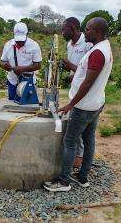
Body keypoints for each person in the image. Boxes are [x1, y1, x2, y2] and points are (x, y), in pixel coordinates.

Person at [43, 17, 113, 192]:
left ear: (97, 32)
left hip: (84, 106)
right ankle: (82, 177)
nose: (85, 31)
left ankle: (63, 182)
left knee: (70, 142)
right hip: (96, 103)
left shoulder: (97, 53)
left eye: (88, 29)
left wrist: (70, 105)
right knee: (89, 140)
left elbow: (87, 83)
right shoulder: (104, 48)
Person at [61, 17, 93, 170]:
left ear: (72, 28)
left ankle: (78, 159)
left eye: (64, 29)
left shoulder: (87, 44)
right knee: (80, 130)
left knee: (79, 130)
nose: (62, 33)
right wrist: (68, 71)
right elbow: (76, 71)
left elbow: (89, 71)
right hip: (74, 90)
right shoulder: (69, 45)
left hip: (84, 93)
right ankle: (79, 159)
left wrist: (71, 66)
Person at [0, 22, 42, 100]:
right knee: (12, 106)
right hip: (12, 81)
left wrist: (23, 69)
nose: (20, 42)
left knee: (28, 106)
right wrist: (5, 66)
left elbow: (38, 65)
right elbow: (2, 62)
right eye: (17, 40)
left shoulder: (34, 46)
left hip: (27, 82)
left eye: (22, 40)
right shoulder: (8, 45)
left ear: (27, 34)